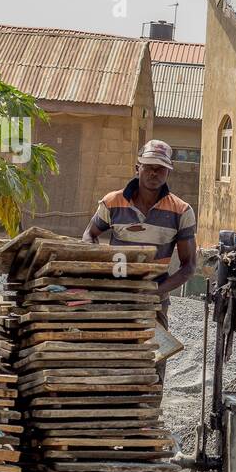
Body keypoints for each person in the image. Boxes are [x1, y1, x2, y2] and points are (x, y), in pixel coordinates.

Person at [82, 139, 198, 333]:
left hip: (154, 299)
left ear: (168, 171)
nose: (154, 172)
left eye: (160, 168)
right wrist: (98, 267)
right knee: (110, 353)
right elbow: (89, 234)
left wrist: (155, 290)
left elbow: (189, 266)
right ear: (138, 168)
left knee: (154, 357)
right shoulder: (112, 202)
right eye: (148, 167)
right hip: (114, 294)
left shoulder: (181, 211)